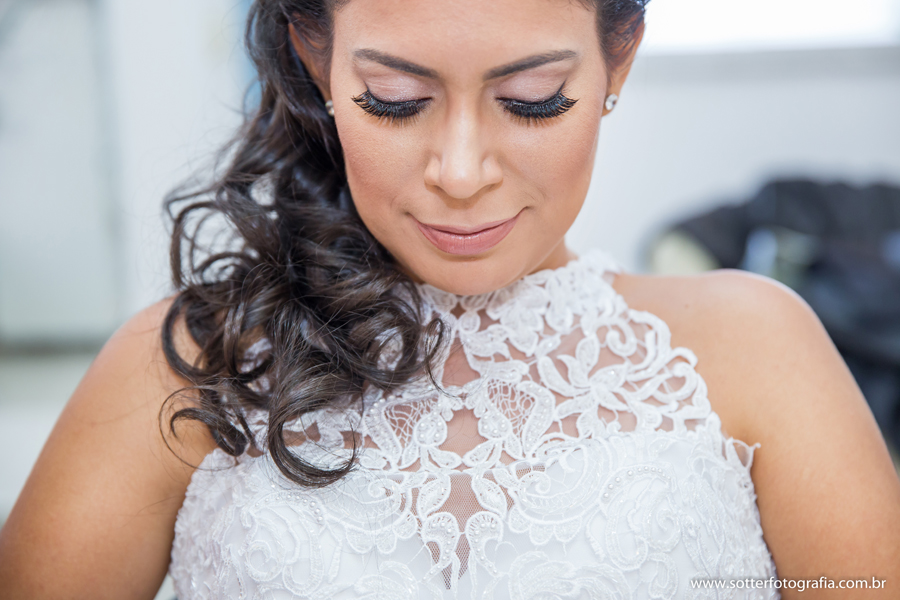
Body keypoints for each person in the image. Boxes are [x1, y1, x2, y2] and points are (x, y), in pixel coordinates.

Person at [1, 0, 898, 597]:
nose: (461, 173)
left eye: (531, 100)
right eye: (395, 101)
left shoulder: (759, 352)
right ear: (317, 61)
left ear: (617, 61)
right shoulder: (194, 364)